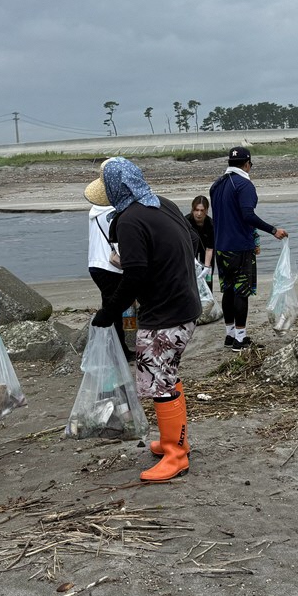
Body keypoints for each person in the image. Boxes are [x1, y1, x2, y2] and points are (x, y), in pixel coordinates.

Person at [86, 158, 201, 482]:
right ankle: (174, 441)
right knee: (167, 375)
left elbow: (135, 275)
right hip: (185, 305)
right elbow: (191, 242)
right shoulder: (161, 203)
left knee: (157, 380)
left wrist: (108, 312)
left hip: (165, 314)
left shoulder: (130, 219)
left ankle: (176, 455)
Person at [209, 146, 288, 351]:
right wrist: (272, 230)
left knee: (227, 289)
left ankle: (230, 335)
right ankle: (240, 339)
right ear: (247, 164)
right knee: (240, 292)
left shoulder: (216, 185)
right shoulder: (244, 185)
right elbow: (248, 215)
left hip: (221, 247)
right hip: (240, 247)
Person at [87, 176, 133, 361]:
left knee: (111, 305)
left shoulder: (94, 210)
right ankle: (117, 351)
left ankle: (114, 348)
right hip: (109, 266)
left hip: (95, 264)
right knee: (114, 309)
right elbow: (119, 239)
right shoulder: (112, 213)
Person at [186, 194, 215, 285]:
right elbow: (182, 243)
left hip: (206, 251)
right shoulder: (186, 221)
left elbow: (210, 248)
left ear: (206, 211)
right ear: (192, 209)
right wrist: (192, 258)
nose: (199, 214)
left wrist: (206, 267)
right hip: (189, 251)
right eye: (196, 210)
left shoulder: (211, 224)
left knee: (207, 279)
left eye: (202, 210)